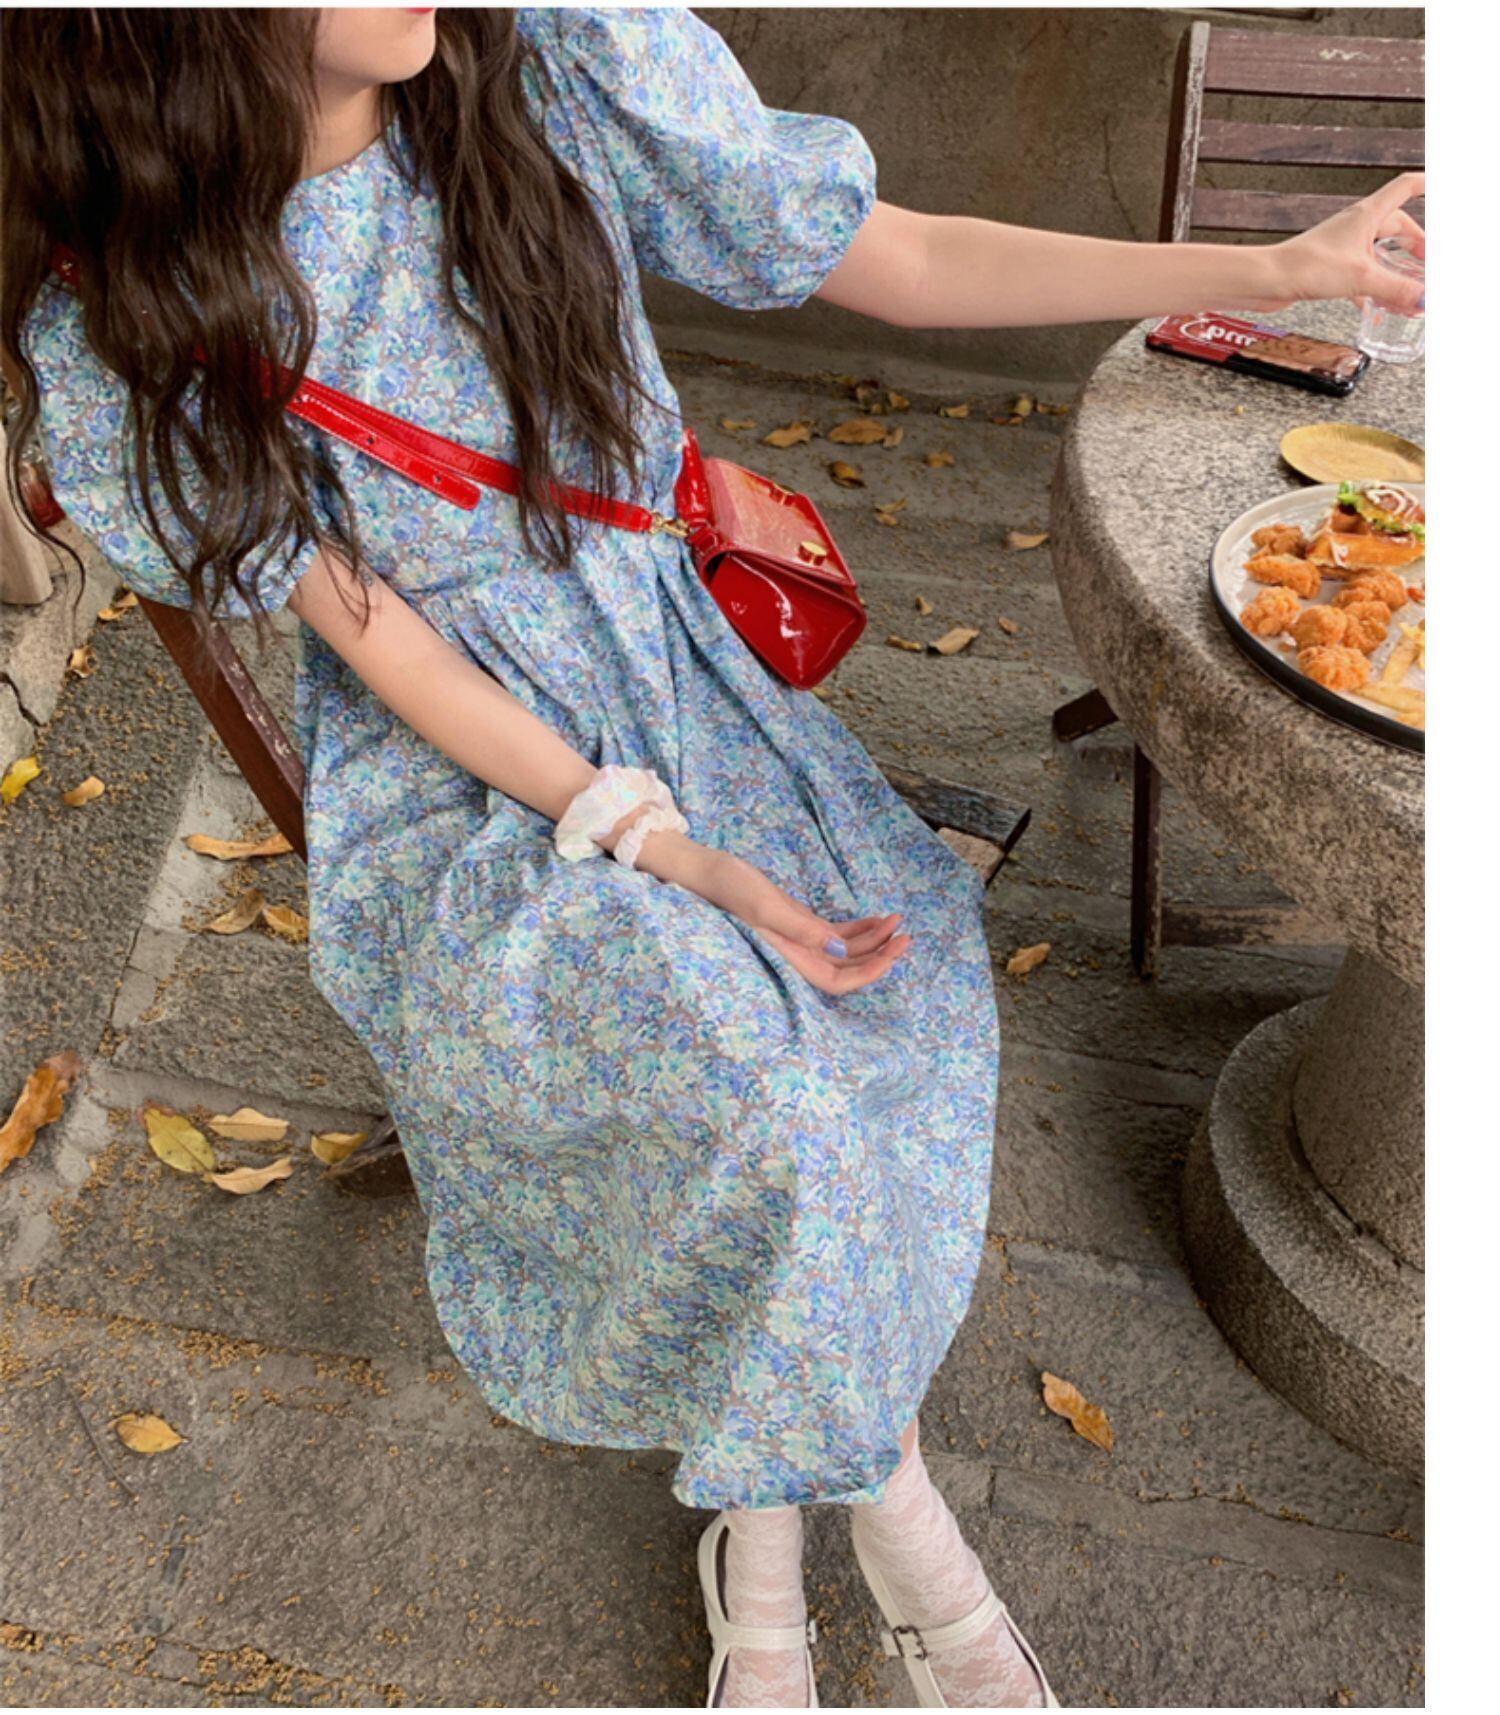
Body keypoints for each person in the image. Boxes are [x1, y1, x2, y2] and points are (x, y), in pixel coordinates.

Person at [2, 8, 1423, 1707]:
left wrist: (1274, 266)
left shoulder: (554, 64)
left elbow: (898, 257)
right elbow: (386, 649)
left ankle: (763, 1539)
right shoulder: (146, 313)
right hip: (472, 779)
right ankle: (906, 1536)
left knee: (856, 1056)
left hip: (692, 684)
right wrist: (652, 843)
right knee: (765, 1099)